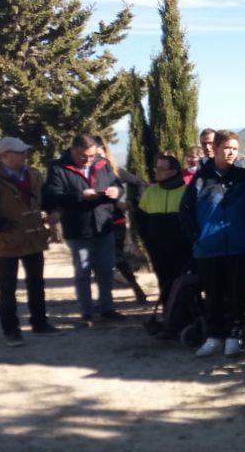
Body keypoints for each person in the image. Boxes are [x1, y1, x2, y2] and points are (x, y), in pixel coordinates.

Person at [0, 137, 61, 346]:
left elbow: (48, 199)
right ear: (4, 156)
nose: (24, 155)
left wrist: (55, 212)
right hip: (7, 242)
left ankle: (40, 323)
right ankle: (11, 331)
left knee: (37, 283)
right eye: (19, 152)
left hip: (34, 238)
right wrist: (2, 226)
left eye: (24, 152)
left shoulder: (33, 174)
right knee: (7, 288)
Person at [179, 129, 245, 358]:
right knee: (213, 295)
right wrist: (196, 237)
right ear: (216, 149)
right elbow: (185, 211)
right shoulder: (201, 179)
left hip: (239, 247)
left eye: (234, 148)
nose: (230, 153)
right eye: (226, 148)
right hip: (208, 249)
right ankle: (213, 337)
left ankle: (233, 337)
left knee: (237, 294)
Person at [44, 133, 125, 326]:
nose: (88, 160)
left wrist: (117, 192)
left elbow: (117, 185)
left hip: (104, 223)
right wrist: (80, 196)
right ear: (73, 150)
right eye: (83, 156)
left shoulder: (102, 163)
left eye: (91, 156)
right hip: (78, 227)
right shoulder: (58, 168)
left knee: (106, 269)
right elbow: (53, 196)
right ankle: (86, 312)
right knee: (83, 271)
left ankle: (107, 308)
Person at [135, 154, 192, 319]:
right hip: (158, 250)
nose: (156, 172)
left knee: (183, 284)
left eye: (161, 169)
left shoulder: (187, 191)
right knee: (164, 283)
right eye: (156, 168)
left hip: (183, 250)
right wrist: (149, 241)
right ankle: (169, 317)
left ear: (174, 171)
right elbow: (141, 220)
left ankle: (188, 318)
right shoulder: (151, 191)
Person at [97, 137, 148, 304]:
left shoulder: (115, 170)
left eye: (99, 150)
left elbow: (140, 183)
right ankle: (105, 299)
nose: (96, 155)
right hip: (94, 224)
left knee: (117, 258)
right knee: (99, 261)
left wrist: (131, 203)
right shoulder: (85, 173)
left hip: (115, 222)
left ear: (105, 150)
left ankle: (135, 287)